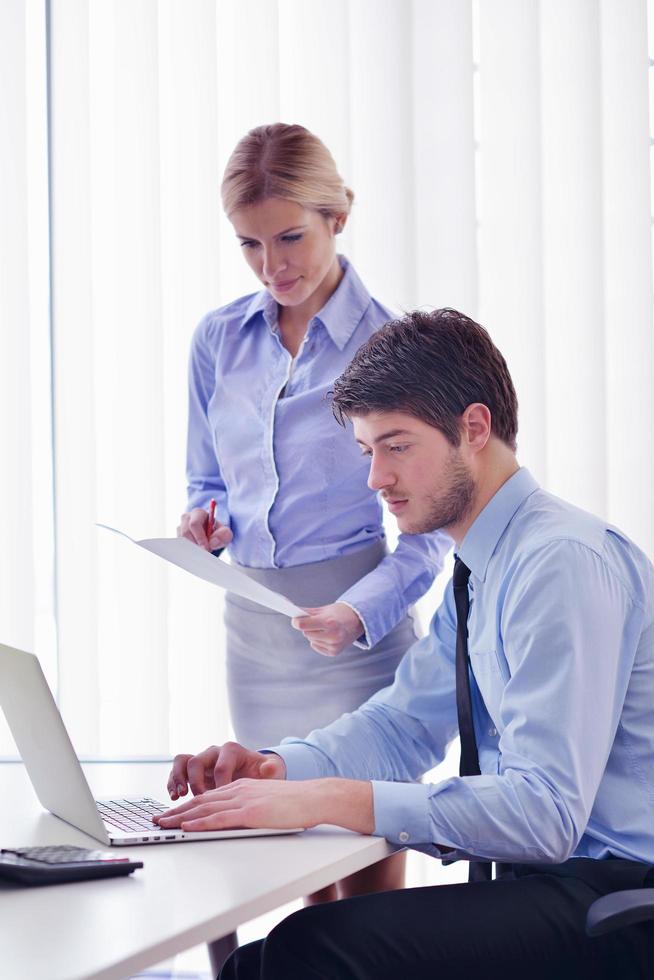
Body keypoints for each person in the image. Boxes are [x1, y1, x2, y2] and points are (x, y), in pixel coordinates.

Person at [159, 308, 654, 979]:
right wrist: (280, 768)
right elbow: (401, 726)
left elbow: (545, 813)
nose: (376, 480)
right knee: (257, 962)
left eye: (396, 446)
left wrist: (329, 799)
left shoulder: (558, 562)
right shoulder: (483, 566)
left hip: (614, 903)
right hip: (551, 887)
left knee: (312, 950)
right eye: (368, 453)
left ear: (474, 428)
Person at [177, 123, 450, 900]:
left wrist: (357, 614)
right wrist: (204, 521)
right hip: (257, 634)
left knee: (365, 890)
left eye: (291, 236)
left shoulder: (392, 346)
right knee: (291, 879)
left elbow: (428, 534)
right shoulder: (216, 341)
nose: (274, 266)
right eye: (250, 245)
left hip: (355, 643)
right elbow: (205, 478)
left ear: (339, 216)